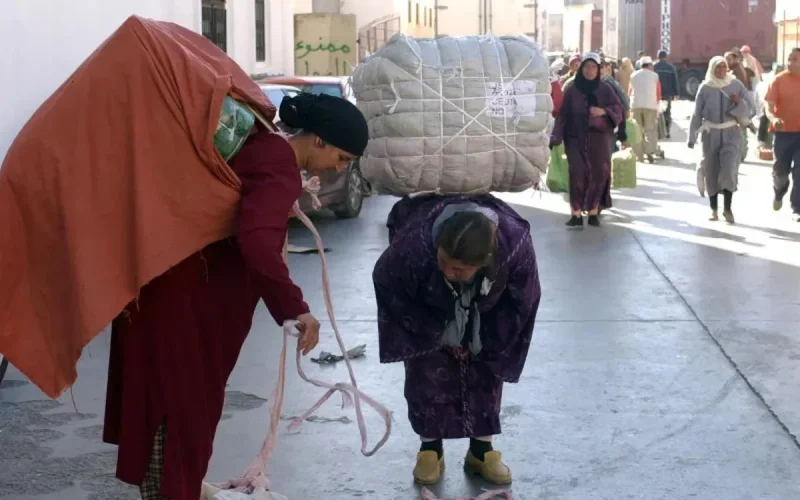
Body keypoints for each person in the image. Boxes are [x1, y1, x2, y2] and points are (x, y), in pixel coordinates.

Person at [103, 93, 369, 500]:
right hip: (188, 308)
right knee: (182, 416)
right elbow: (258, 242)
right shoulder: (279, 164)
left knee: (165, 409)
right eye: (342, 157)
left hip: (164, 291)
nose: (339, 169)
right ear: (318, 141)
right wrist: (295, 307)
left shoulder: (258, 143)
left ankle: (175, 489)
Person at [373, 194, 541, 486]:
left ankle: (481, 451)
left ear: (485, 261)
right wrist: (433, 331)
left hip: (488, 311)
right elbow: (387, 282)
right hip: (428, 310)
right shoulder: (413, 246)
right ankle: (430, 450)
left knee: (486, 373)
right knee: (427, 376)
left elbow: (523, 299)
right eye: (445, 262)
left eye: (460, 269)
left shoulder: (514, 246)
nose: (449, 272)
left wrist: (487, 337)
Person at [551, 53, 624, 227]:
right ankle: (575, 214)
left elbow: (618, 108)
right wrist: (556, 137)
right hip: (575, 138)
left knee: (599, 173)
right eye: (586, 67)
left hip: (599, 139)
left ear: (598, 69)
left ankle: (593, 211)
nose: (589, 70)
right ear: (581, 68)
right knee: (577, 172)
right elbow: (563, 115)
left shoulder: (606, 89)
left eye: (593, 67)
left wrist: (604, 112)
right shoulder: (572, 90)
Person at [688, 56, 754, 224]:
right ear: (712, 69)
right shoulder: (705, 88)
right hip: (711, 134)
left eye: (723, 67)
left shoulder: (735, 85)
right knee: (711, 170)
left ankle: (728, 208)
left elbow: (751, 106)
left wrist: (738, 102)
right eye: (717, 68)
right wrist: (692, 136)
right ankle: (713, 208)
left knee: (729, 168)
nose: (721, 71)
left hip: (732, 133)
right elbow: (697, 113)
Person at [764, 48, 800, 220]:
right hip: (783, 134)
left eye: (796, 59)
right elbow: (768, 107)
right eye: (790, 59)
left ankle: (797, 207)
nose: (791, 63)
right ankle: (779, 192)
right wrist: (774, 119)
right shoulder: (779, 80)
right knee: (781, 172)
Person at [599, 58, 630, 212]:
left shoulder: (611, 86)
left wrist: (623, 135)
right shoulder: (577, 85)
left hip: (606, 134)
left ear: (605, 68)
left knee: (603, 168)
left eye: (599, 67)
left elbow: (622, 109)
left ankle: (601, 200)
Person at [629, 56, 662, 163]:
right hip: (650, 105)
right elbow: (658, 92)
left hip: (636, 105)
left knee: (637, 130)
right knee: (650, 130)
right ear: (649, 65)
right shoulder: (655, 76)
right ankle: (648, 151)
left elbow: (630, 91)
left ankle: (639, 156)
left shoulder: (633, 75)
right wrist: (658, 106)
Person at [654, 50, 680, 138]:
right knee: (667, 112)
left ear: (658, 56)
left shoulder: (654, 67)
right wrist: (676, 93)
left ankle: (657, 132)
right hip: (667, 94)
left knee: (656, 112)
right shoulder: (671, 67)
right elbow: (675, 81)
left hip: (656, 94)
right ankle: (667, 132)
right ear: (665, 57)